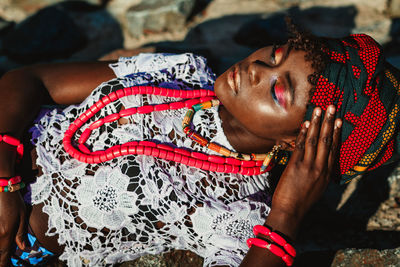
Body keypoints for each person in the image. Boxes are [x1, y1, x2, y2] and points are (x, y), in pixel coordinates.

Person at [0, 19, 398, 266]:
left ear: (300, 142)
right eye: (277, 54)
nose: (258, 69)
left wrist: (288, 212)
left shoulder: (234, 210)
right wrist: (3, 175)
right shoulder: (181, 72)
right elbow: (29, 80)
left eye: (281, 92)